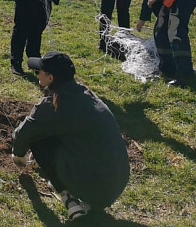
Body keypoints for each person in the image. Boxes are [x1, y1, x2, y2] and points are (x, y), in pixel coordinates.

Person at [12, 52, 130, 221]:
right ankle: (88, 200)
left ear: (51, 77)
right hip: (116, 181)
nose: (36, 73)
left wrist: (18, 154)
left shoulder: (54, 104)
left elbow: (26, 131)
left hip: (96, 185)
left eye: (39, 71)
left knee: (38, 140)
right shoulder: (86, 95)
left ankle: (69, 197)